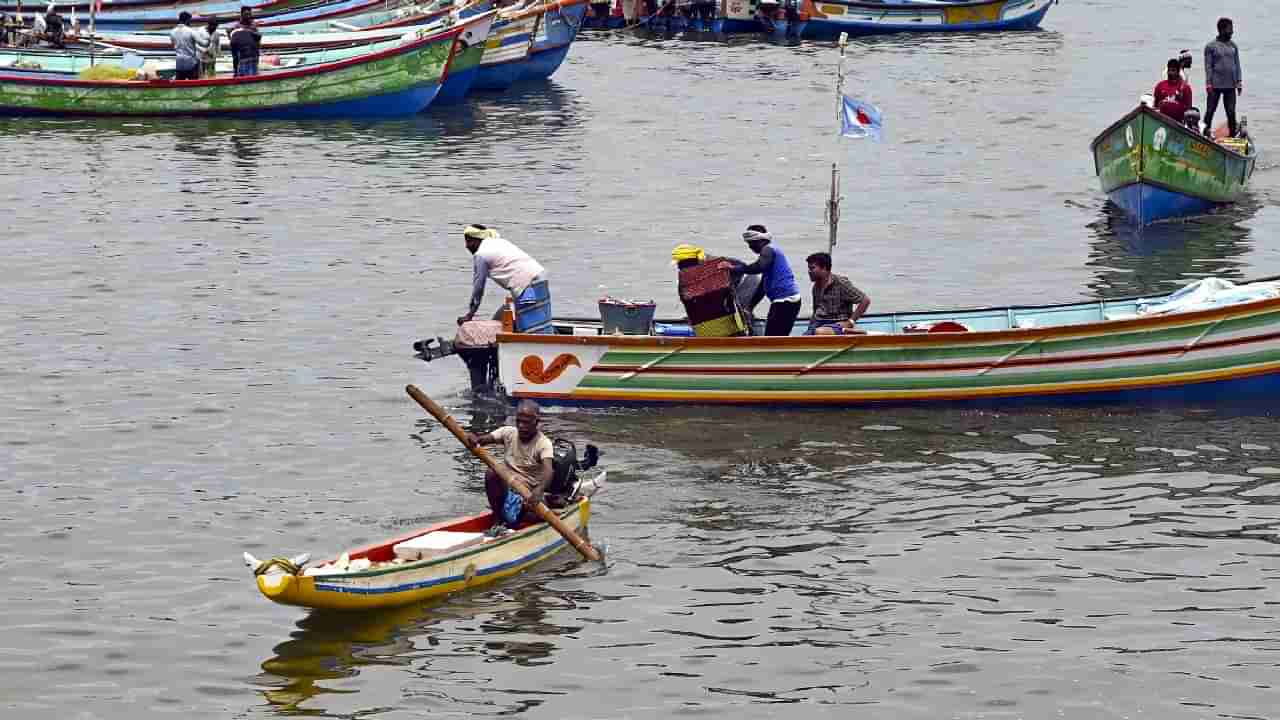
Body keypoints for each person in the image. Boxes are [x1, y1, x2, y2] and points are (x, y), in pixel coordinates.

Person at [465, 400, 554, 534]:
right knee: (492, 473)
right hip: (507, 489)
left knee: (537, 516)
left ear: (536, 422)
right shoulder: (509, 433)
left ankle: (518, 515)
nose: (521, 426)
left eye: (526, 422)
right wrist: (474, 438)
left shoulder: (543, 443)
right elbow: (482, 440)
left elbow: (549, 471)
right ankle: (498, 517)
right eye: (518, 421)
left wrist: (540, 490)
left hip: (528, 495)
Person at [457, 224, 550, 332]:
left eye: (469, 241)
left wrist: (470, 314)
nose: (466, 246)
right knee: (542, 323)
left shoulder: (481, 254)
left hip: (527, 287)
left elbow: (478, 287)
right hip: (540, 278)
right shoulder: (498, 242)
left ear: (478, 239)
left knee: (530, 328)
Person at [731, 225, 802, 336]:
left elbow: (758, 267)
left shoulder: (768, 249)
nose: (750, 246)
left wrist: (735, 268)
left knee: (773, 337)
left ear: (760, 240)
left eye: (751, 243)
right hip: (783, 302)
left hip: (786, 301)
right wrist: (750, 307)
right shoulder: (768, 257)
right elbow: (762, 287)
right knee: (774, 336)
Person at [805, 252, 870, 335]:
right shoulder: (816, 286)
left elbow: (865, 300)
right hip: (820, 322)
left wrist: (850, 322)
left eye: (812, 268)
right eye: (809, 268)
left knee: (819, 332)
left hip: (838, 324)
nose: (809, 271)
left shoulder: (841, 283)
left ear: (824, 268)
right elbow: (816, 310)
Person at [1203, 16, 1242, 138]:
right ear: (1221, 29)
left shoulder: (1233, 46)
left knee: (1231, 113)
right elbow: (1208, 66)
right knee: (1210, 111)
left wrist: (1239, 81)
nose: (1232, 31)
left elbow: (1237, 64)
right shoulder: (1211, 46)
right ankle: (1204, 132)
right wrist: (1208, 83)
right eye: (1230, 29)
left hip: (1230, 85)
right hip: (1215, 85)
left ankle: (1232, 136)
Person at [1153, 58, 1192, 123]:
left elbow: (1188, 109)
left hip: (1178, 122)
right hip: (1161, 120)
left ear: (1178, 71)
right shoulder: (1160, 86)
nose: (1170, 73)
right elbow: (1155, 106)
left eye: (1173, 70)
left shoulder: (1185, 88)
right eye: (1169, 70)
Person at [229, 6, 262, 78]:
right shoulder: (237, 26)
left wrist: (250, 32)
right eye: (246, 14)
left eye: (249, 14)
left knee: (254, 73)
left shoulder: (253, 25)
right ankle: (236, 73)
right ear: (241, 14)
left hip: (253, 53)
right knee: (242, 74)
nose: (248, 16)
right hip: (241, 55)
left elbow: (258, 37)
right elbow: (232, 41)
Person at [170, 12, 200, 80]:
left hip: (179, 62)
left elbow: (173, 44)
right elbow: (201, 43)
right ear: (187, 20)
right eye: (190, 20)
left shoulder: (172, 32)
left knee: (179, 85)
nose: (190, 22)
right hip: (190, 63)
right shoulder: (191, 31)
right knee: (194, 85)